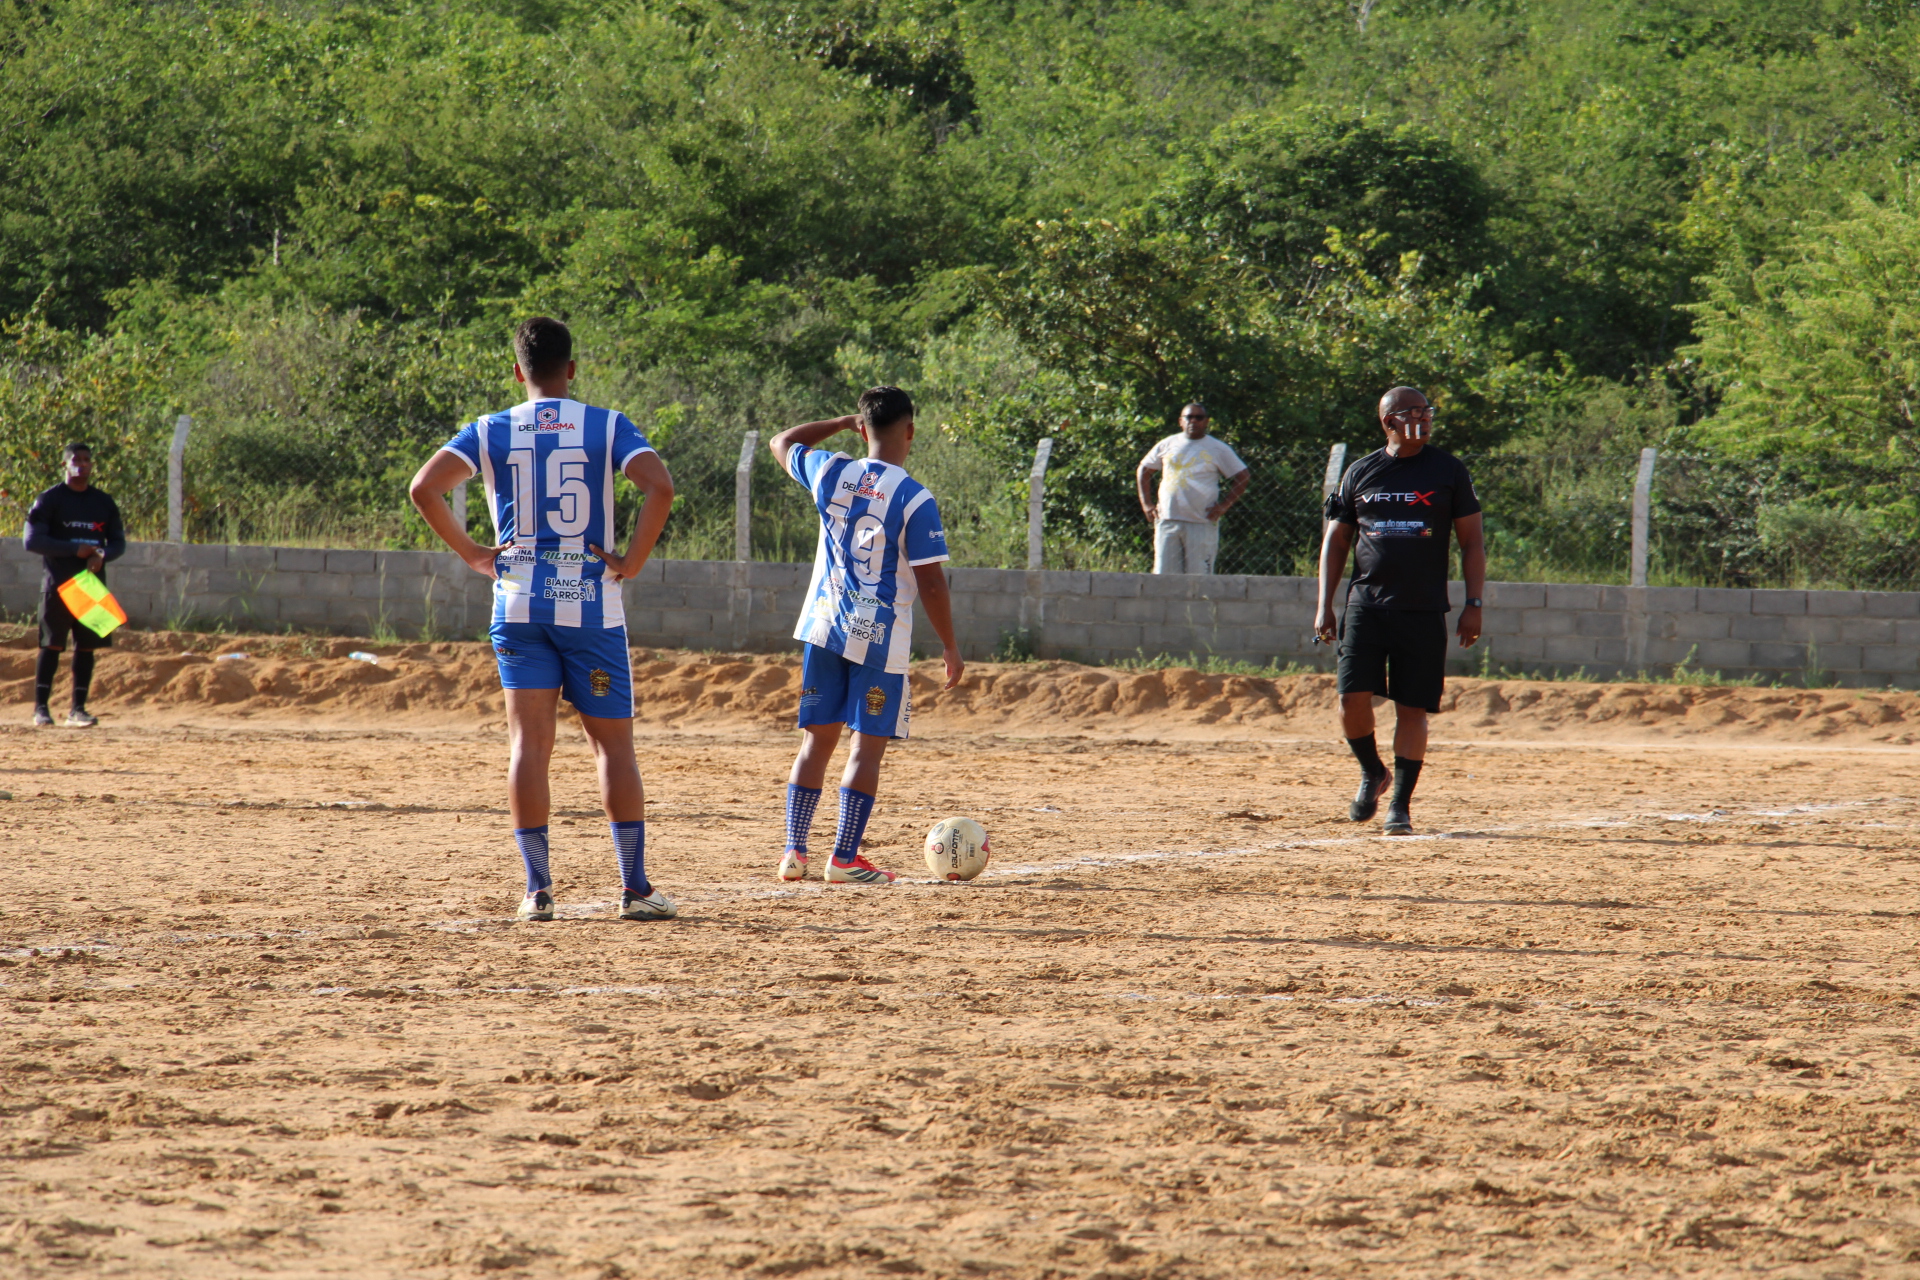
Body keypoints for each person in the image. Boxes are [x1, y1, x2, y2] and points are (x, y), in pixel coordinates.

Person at [408, 317, 679, 923]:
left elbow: (424, 488)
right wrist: (632, 561)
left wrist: (473, 554)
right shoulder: (606, 424)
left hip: (519, 604)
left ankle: (537, 891)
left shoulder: (491, 428)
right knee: (612, 748)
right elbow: (659, 487)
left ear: (517, 371)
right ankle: (635, 889)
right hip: (591, 609)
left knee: (528, 746)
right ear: (572, 369)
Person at [768, 386, 964, 885]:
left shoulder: (832, 471)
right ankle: (844, 858)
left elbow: (781, 441)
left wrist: (837, 423)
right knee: (865, 749)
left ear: (862, 428)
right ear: (910, 430)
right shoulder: (915, 497)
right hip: (879, 637)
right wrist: (949, 644)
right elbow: (931, 582)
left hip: (824, 626)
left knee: (816, 744)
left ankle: (794, 851)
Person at [1313, 386, 1486, 835]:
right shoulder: (1360, 471)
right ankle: (1372, 770)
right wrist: (1324, 605)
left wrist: (1473, 604)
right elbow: (1336, 541)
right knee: (1350, 698)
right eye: (1414, 413)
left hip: (1423, 609)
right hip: (1366, 605)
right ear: (1389, 422)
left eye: (1428, 412)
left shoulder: (1449, 470)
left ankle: (1400, 806)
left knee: (1412, 708)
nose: (1425, 420)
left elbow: (1472, 542)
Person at [23, 442, 126, 728]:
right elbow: (32, 541)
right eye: (75, 460)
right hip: (58, 584)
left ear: (92, 465)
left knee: (86, 647)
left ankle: (78, 710)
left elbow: (118, 542)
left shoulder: (103, 502)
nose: (81, 464)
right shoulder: (49, 499)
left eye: (86, 459)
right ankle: (41, 710)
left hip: (90, 586)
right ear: (64, 465)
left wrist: (101, 554)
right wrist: (74, 549)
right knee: (52, 644)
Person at [1137, 402, 1251, 575]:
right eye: (1189, 417)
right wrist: (1147, 504)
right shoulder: (1167, 444)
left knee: (1199, 578)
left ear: (1206, 421)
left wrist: (1224, 506)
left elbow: (1243, 476)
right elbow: (1144, 470)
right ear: (1180, 421)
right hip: (1168, 520)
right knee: (1164, 577)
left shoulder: (1218, 448)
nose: (1194, 421)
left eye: (1199, 417)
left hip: (1201, 522)